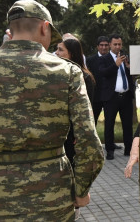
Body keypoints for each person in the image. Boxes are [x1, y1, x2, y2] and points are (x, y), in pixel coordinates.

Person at [0, 0, 104, 220]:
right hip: (52, 198)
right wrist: (81, 190)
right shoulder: (67, 72)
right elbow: (89, 141)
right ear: (44, 27)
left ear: (11, 30)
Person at [56, 37, 96, 220]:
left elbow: (85, 111)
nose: (56, 53)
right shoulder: (60, 73)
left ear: (71, 53)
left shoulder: (84, 77)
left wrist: (78, 134)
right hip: (61, 134)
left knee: (71, 171)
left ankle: (74, 211)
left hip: (73, 136)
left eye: (60, 50)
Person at [99, 34, 135, 159]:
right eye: (115, 44)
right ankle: (109, 150)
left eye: (119, 44)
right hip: (111, 97)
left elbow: (131, 76)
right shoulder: (105, 58)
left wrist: (130, 68)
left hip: (126, 96)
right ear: (110, 45)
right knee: (109, 124)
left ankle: (129, 150)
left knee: (127, 125)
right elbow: (103, 73)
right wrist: (116, 64)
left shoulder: (126, 57)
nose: (118, 46)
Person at [87, 36, 110, 125]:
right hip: (95, 96)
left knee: (109, 122)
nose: (103, 47)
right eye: (101, 45)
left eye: (106, 45)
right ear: (97, 46)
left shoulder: (113, 60)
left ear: (109, 46)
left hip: (109, 96)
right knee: (93, 120)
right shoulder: (90, 60)